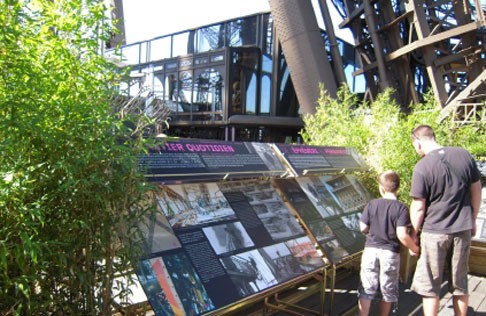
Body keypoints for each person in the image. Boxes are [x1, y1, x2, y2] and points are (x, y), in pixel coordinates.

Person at [409, 124, 482, 316]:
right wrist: (472, 219)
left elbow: (418, 207)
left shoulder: (422, 167)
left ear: (418, 142)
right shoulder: (463, 155)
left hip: (434, 232)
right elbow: (476, 191)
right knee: (460, 283)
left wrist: (413, 234)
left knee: (430, 286)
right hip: (462, 229)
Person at [358, 170, 420, 316]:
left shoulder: (372, 204)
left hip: (371, 250)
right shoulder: (401, 208)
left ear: (381, 187)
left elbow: (363, 227)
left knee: (366, 287)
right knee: (388, 288)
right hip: (390, 252)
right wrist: (414, 248)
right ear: (398, 188)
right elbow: (402, 234)